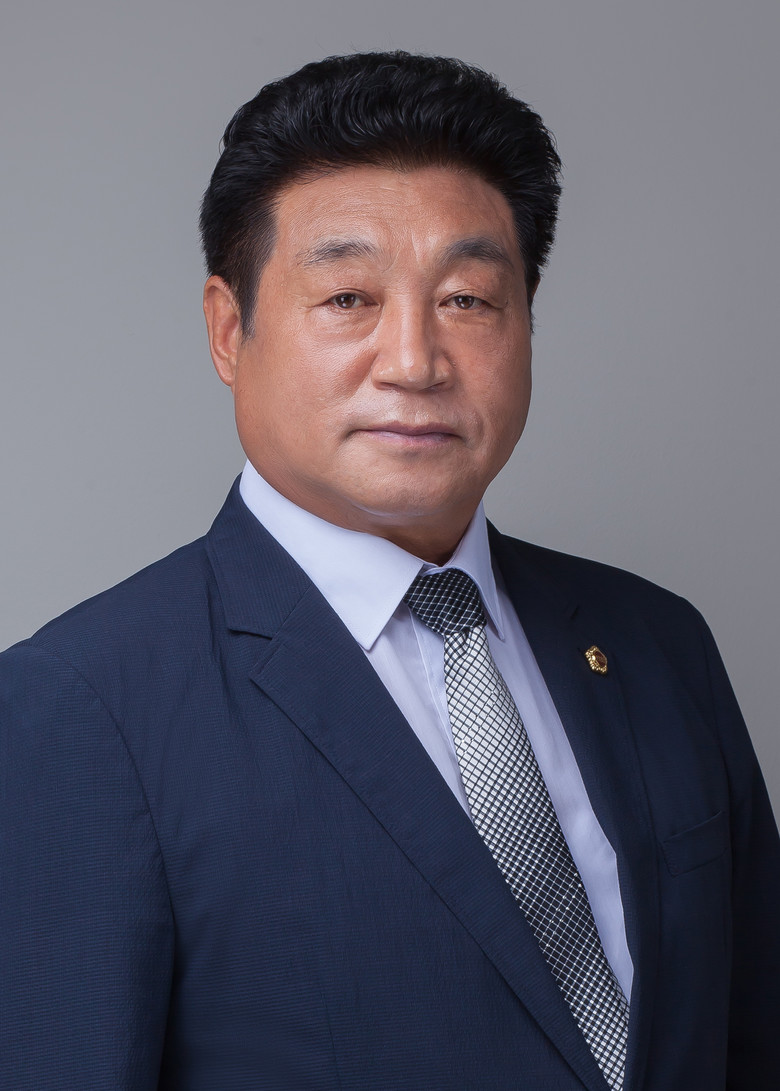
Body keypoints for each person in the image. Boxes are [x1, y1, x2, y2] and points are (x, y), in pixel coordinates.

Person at [1, 51, 778, 1091]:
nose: (414, 361)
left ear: (527, 323)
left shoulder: (657, 642)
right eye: (348, 297)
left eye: (467, 298)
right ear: (229, 330)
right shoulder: (82, 706)